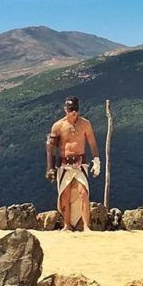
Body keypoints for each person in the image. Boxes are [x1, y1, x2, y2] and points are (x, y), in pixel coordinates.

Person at [45, 96, 101, 231]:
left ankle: (86, 226)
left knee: (83, 193)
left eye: (76, 109)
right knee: (65, 194)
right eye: (71, 109)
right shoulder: (58, 126)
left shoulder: (85, 124)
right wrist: (50, 167)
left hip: (80, 163)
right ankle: (67, 225)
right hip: (64, 164)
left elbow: (92, 142)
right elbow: (50, 147)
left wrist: (96, 160)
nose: (74, 112)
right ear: (65, 109)